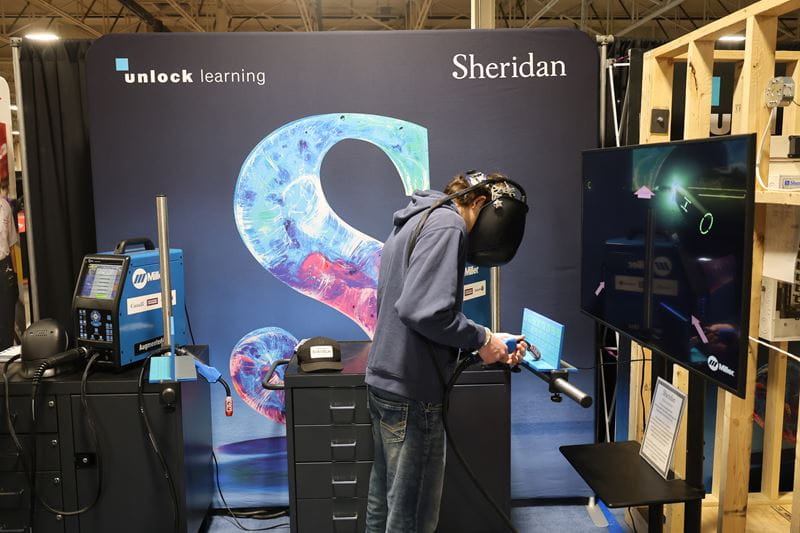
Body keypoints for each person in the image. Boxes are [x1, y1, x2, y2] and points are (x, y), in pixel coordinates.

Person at [365, 173, 525, 533]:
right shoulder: (449, 224)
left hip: (386, 382)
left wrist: (487, 340)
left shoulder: (420, 217)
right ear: (481, 204)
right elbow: (423, 311)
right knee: (413, 516)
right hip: (413, 392)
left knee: (384, 506)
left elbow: (418, 310)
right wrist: (482, 338)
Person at [0, 180, 19, 350]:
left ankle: (5, 353)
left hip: (4, 265)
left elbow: (12, 245)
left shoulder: (4, 206)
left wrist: (16, 275)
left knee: (6, 312)